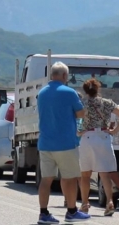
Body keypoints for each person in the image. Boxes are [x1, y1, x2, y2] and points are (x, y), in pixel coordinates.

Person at [37, 61, 90, 224]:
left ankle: (44, 213)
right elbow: (81, 114)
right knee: (70, 178)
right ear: (65, 75)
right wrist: (79, 131)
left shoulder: (42, 93)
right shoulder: (69, 92)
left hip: (45, 143)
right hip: (66, 143)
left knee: (46, 179)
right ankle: (72, 211)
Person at [78, 78, 119, 217]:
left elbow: (75, 119)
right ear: (98, 89)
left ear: (85, 90)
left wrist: (79, 131)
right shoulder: (107, 103)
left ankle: (84, 204)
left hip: (88, 137)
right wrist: (114, 131)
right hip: (104, 137)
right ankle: (110, 202)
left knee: (85, 174)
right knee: (105, 173)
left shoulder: (82, 103)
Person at [63, 91, 84, 208]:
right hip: (71, 146)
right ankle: (67, 199)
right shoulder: (69, 115)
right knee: (68, 175)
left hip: (80, 146)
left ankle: (79, 200)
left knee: (79, 175)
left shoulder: (82, 115)